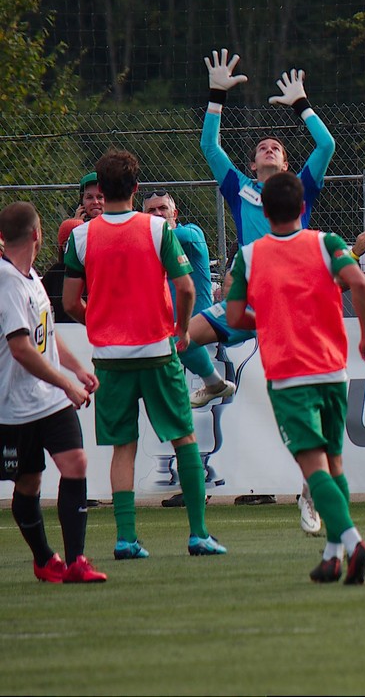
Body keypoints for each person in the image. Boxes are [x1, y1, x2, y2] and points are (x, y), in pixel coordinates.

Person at [189, 49, 335, 536]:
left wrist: (302, 105)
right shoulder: (239, 189)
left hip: (290, 310)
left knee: (304, 411)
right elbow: (210, 146)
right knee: (178, 337)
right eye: (262, 147)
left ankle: (310, 491)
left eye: (277, 147)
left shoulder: (300, 191)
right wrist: (216, 95)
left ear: (287, 164)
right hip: (246, 303)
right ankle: (214, 381)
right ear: (252, 164)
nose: (269, 148)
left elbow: (327, 144)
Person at [61, 149, 226, 560]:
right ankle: (198, 534)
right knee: (184, 437)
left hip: (110, 357)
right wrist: (182, 330)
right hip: (156, 350)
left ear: (100, 190)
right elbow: (186, 287)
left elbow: (69, 302)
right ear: (136, 188)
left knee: (124, 447)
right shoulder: (157, 229)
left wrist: (99, 323)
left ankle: (126, 539)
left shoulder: (81, 237)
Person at [224, 172, 365, 584]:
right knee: (334, 463)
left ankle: (354, 543)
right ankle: (333, 556)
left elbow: (234, 316)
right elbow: (360, 284)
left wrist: (271, 319)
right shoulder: (327, 243)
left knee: (314, 468)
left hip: (289, 375)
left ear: (263, 211)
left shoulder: (249, 256)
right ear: (302, 207)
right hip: (332, 370)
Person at [0, 202, 106, 583]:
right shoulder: (7, 281)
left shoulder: (30, 276)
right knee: (28, 483)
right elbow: (21, 348)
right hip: (15, 406)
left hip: (49, 398)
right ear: (37, 234)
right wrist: (67, 384)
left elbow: (44, 331)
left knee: (75, 462)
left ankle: (77, 561)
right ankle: (44, 558)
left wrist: (76, 369)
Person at [143, 189, 216, 509]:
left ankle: (202, 486)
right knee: (181, 418)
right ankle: (192, 484)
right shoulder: (151, 247)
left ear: (175, 213)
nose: (158, 214)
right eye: (151, 211)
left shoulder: (191, 234)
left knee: (194, 419)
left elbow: (180, 236)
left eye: (163, 209)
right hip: (171, 343)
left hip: (201, 341)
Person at [42, 218, 84, 323]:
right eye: (67, 245)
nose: (72, 250)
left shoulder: (95, 270)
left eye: (76, 244)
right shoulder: (54, 273)